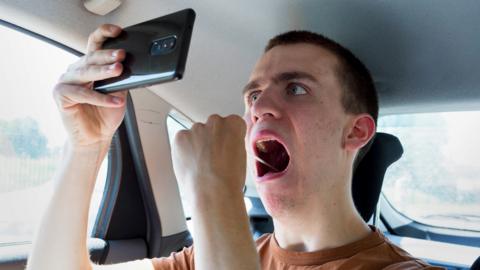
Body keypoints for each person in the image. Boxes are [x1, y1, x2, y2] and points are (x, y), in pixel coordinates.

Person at [26, 24, 443, 270]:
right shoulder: (207, 256)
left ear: (356, 132)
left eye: (296, 88)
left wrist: (213, 193)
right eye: (253, 94)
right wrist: (87, 146)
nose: (260, 106)